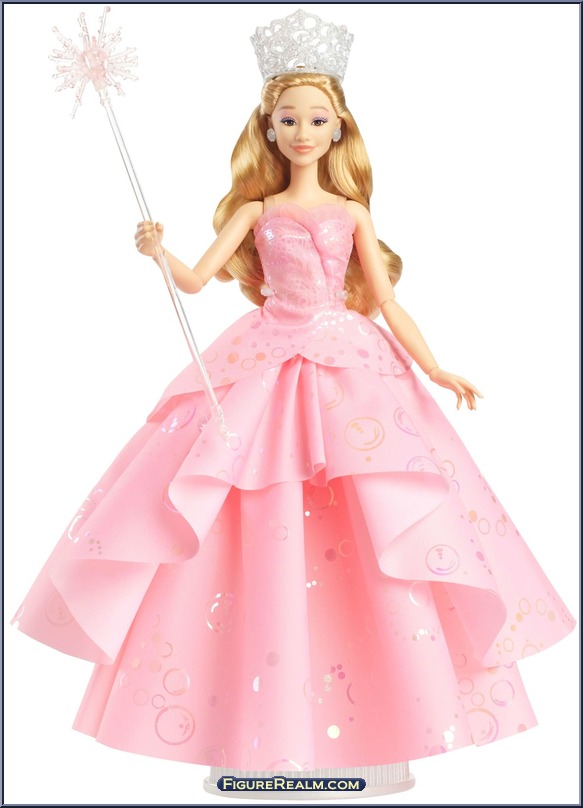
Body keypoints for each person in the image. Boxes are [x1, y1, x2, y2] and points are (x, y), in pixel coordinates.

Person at [12, 8, 574, 798]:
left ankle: (378, 715)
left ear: (337, 125)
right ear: (267, 127)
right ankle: (255, 718)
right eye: (287, 119)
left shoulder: (352, 213)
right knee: (247, 505)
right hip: (264, 361)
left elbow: (385, 301)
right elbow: (195, 280)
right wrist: (158, 250)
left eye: (315, 118)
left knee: (373, 508)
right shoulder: (256, 211)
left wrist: (435, 367)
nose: (302, 132)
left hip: (351, 369)